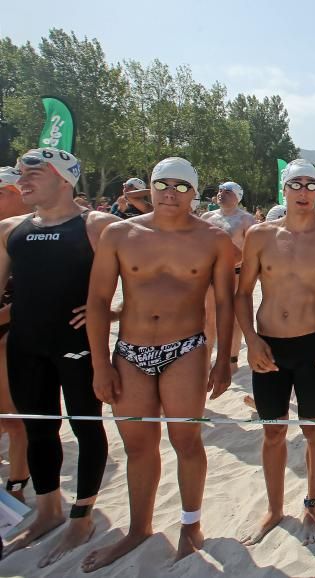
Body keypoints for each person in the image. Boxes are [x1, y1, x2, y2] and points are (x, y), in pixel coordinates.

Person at [82, 156, 235, 572]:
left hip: (185, 348)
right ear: (148, 188)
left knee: (186, 442)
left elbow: (225, 304)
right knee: (137, 445)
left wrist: (225, 360)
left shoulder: (213, 239)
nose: (171, 192)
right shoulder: (119, 233)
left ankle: (191, 524)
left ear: (195, 192)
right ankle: (139, 528)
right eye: (162, 184)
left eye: (182, 186)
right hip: (129, 350)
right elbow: (97, 302)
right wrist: (100, 364)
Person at [0, 150, 117, 567]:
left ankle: (82, 516)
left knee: (86, 426)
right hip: (25, 344)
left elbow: (143, 274)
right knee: (38, 429)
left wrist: (110, 310)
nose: (22, 181)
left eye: (34, 173)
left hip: (78, 345)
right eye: (20, 174)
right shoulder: (11, 229)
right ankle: (48, 509)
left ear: (64, 179)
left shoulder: (97, 225)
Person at [236, 159, 315, 546]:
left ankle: (313, 504)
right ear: (283, 189)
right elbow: (243, 293)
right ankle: (274, 508)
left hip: (312, 346)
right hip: (268, 345)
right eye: (295, 184)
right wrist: (250, 340)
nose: (303, 192)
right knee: (273, 434)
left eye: (310, 185)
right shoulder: (260, 235)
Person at [201, 181, 255, 368]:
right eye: (220, 190)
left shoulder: (246, 220)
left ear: (237, 197)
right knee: (209, 318)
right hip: (210, 275)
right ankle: (206, 358)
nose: (222, 193)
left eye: (228, 191)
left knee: (233, 318)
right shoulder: (207, 217)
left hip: (236, 274)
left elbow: (251, 252)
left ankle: (232, 359)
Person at [0, 167, 30, 505]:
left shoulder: (32, 232)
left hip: (15, 335)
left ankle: (17, 487)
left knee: (13, 417)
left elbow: (34, 294)